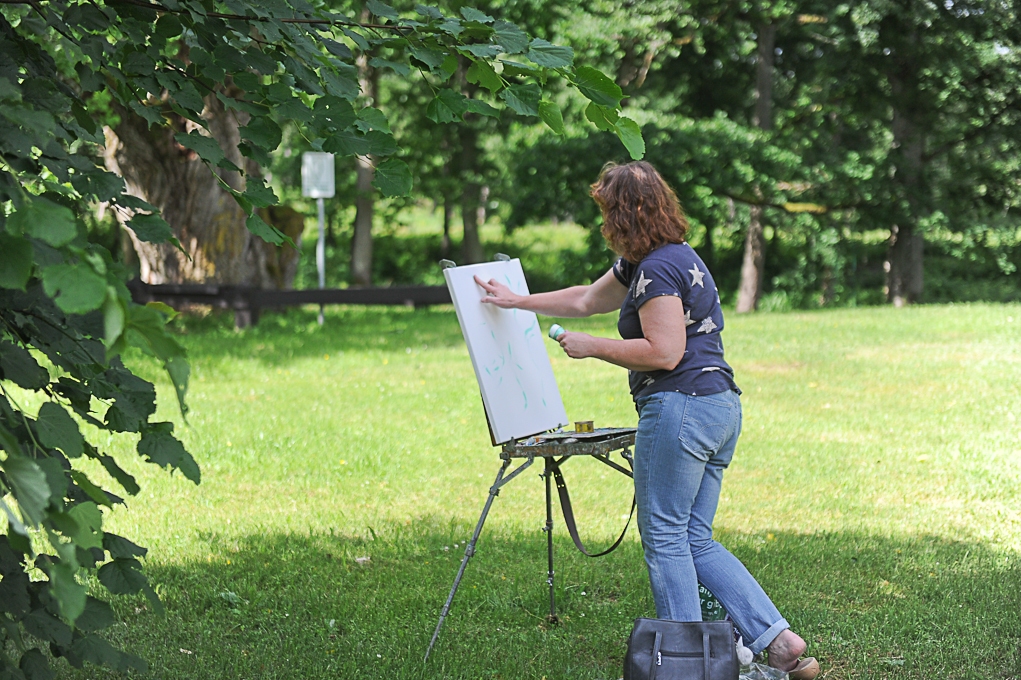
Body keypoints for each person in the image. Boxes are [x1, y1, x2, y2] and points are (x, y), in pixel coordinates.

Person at [474, 161, 819, 679]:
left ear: (626, 215)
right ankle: (781, 642)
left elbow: (664, 351)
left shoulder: (656, 270)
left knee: (664, 536)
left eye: (606, 213)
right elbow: (587, 299)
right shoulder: (658, 261)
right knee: (693, 538)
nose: (602, 225)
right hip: (719, 407)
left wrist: (593, 347)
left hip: (680, 407)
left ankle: (688, 665)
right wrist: (517, 301)